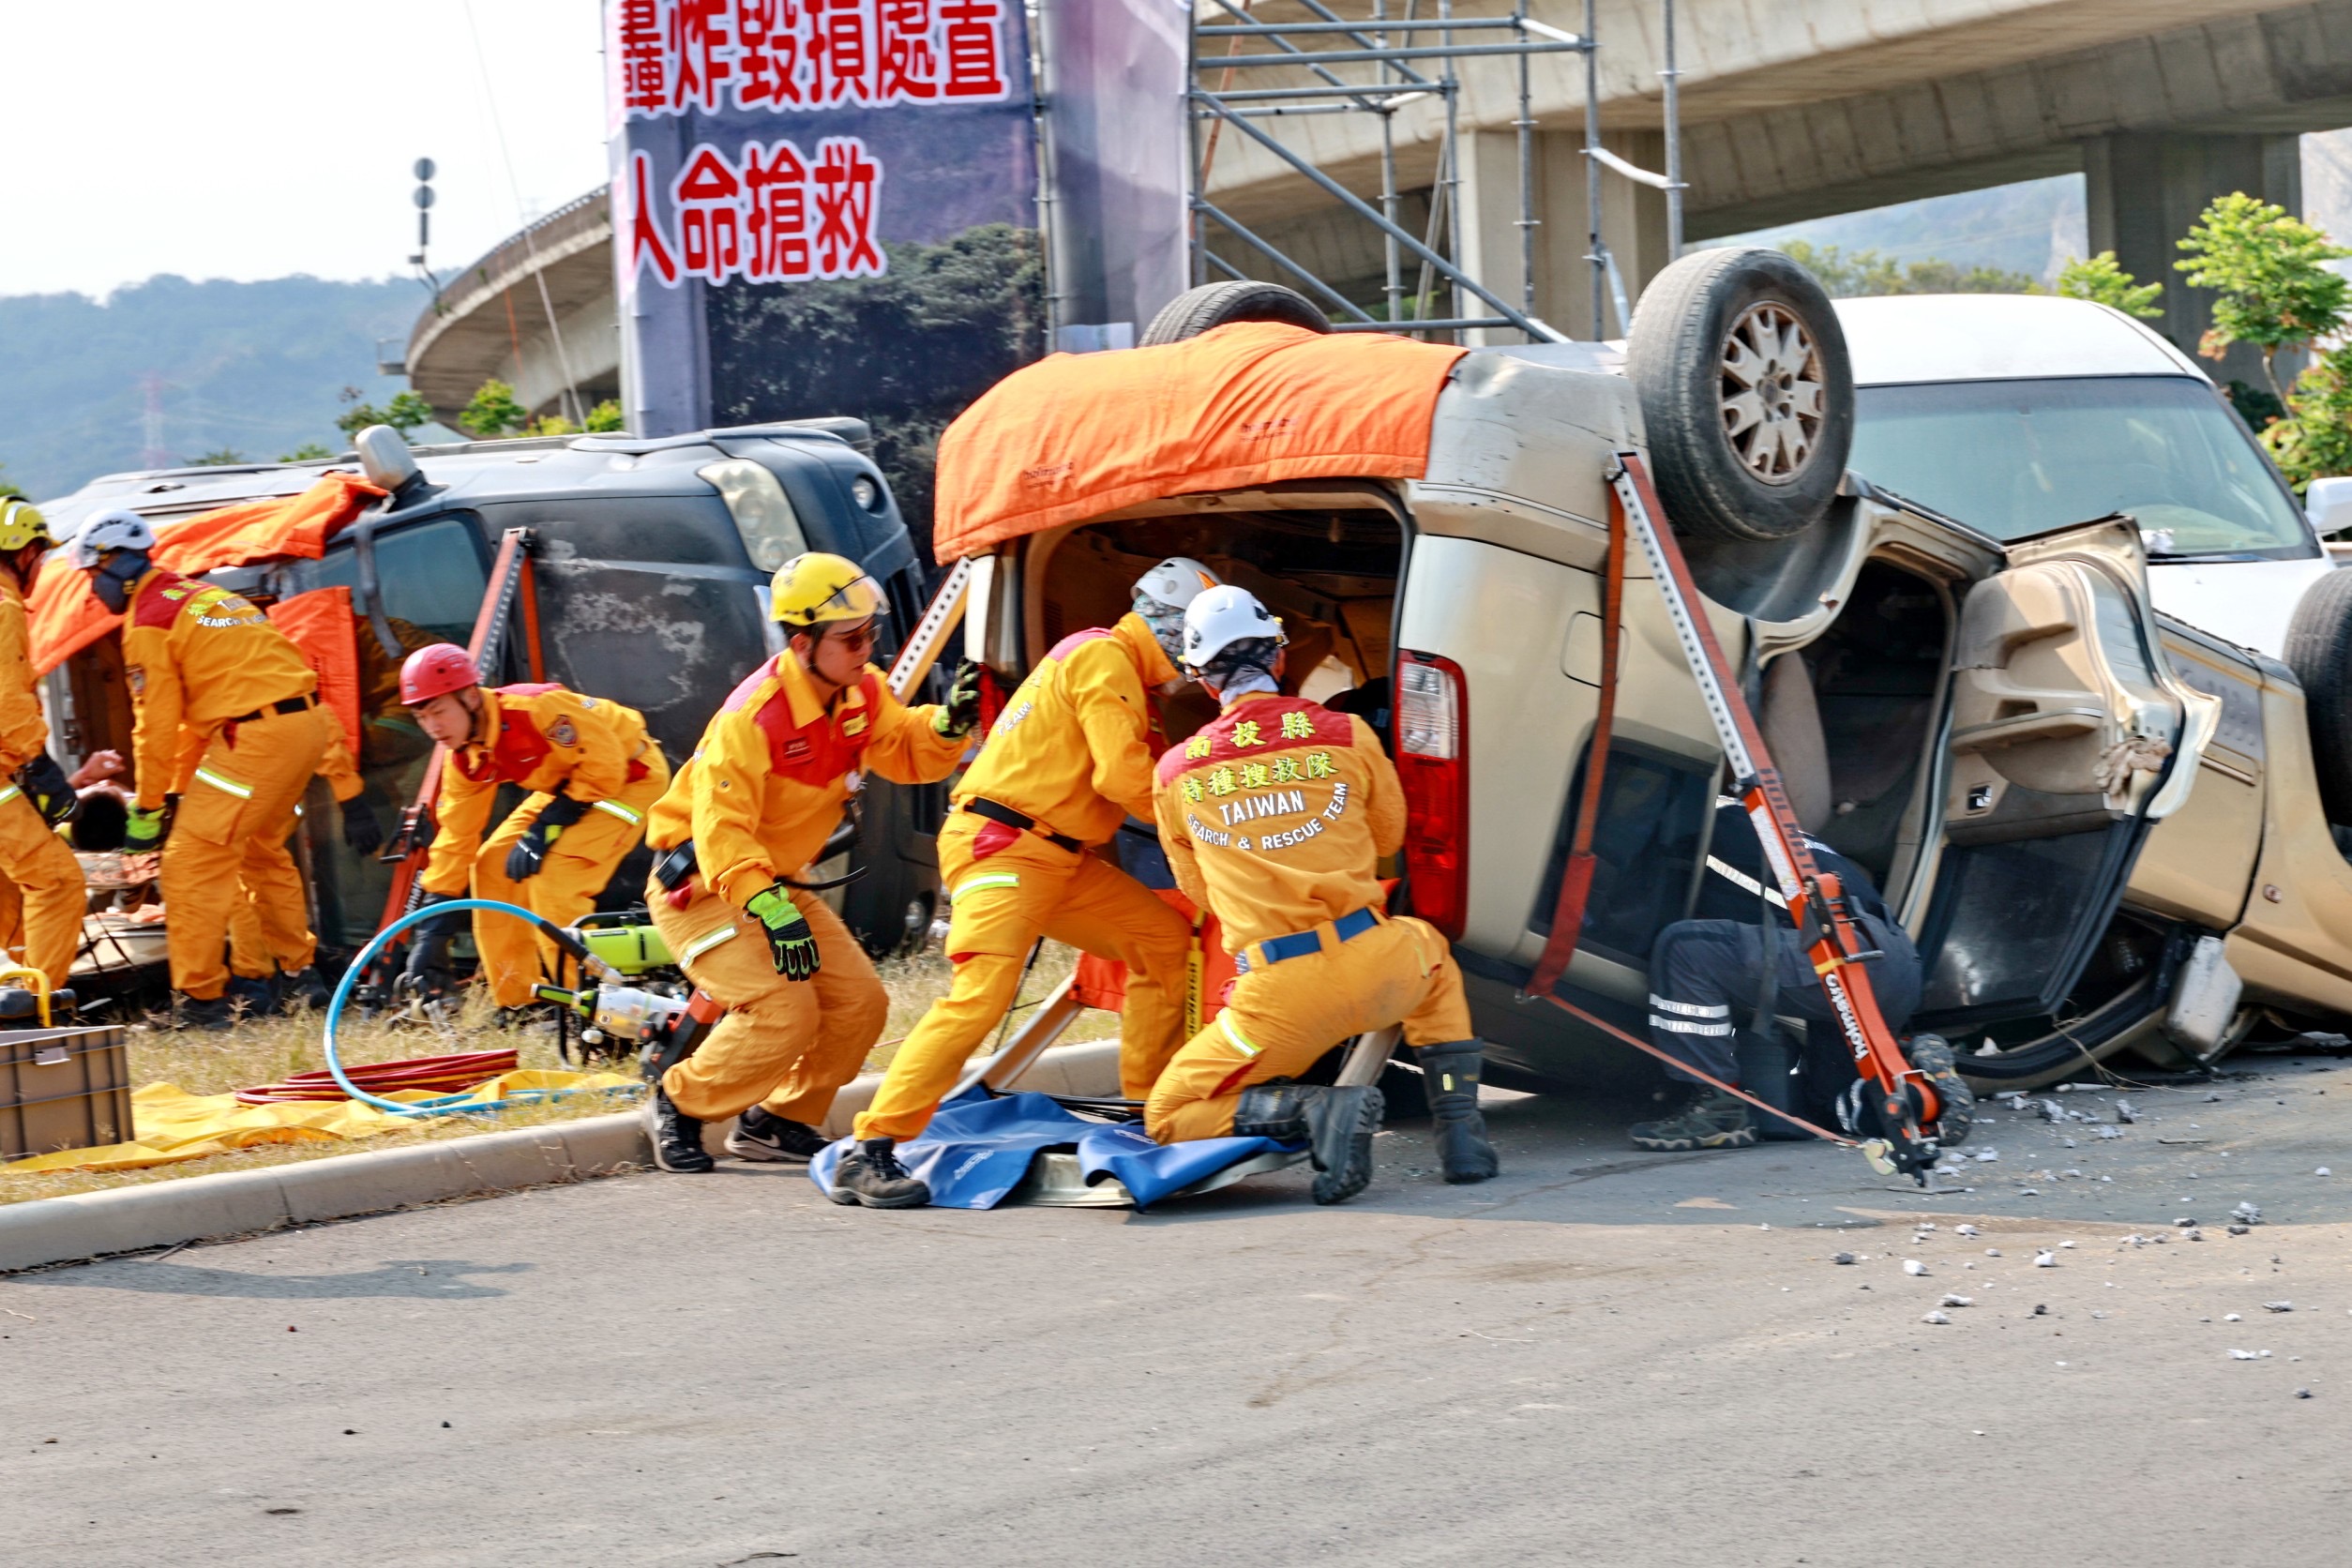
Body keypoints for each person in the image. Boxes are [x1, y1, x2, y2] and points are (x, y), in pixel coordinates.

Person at [832, 557, 1217, 1208]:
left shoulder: (1116, 668)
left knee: (1163, 939)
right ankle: (871, 1148)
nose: (1199, 657)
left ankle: (1148, 1109)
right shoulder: (1107, 659)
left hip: (1055, 856)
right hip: (1004, 848)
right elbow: (1123, 780)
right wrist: (1209, 828)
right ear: (1175, 626)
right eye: (1198, 637)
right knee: (979, 998)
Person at [1141, 586, 1499, 1204]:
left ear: (1202, 681)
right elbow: (1389, 833)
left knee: (1168, 1113)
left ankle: (1314, 1112)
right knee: (1432, 956)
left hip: (1276, 1005)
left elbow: (1197, 889)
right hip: (1376, 963)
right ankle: (1462, 1136)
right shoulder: (1348, 733)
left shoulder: (1176, 772)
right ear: (1279, 659)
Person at [639, 551, 979, 1175]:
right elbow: (722, 835)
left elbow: (904, 748)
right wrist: (769, 908)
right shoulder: (751, 719)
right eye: (852, 638)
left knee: (861, 1005)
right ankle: (677, 1100)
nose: (867, 649)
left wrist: (950, 726)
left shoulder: (860, 691)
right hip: (702, 889)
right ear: (802, 643)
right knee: (784, 1010)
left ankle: (778, 1121)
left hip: (773, 884)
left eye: (872, 634)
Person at [67, 510, 356, 1030]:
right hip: (304, 727)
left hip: (255, 737)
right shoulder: (206, 598)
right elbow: (193, 720)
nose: (93, 593)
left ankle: (205, 1002)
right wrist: (176, 792)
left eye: (91, 579)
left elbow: (154, 726)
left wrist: (150, 810)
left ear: (114, 566)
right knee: (260, 851)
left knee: (189, 863)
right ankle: (299, 977)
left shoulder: (149, 621)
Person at [1627, 799, 1927, 1152]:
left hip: (1838, 952)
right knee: (1833, 1104)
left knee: (1682, 947)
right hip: (1898, 960)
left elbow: (1630, 885)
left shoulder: (1696, 813)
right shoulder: (1768, 825)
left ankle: (1719, 1107)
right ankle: (1925, 1100)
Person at [394, 645, 669, 1025]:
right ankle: (520, 1001)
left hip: (629, 777)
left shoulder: (536, 709)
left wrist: (543, 831)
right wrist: (432, 933)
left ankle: (586, 1008)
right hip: (569, 787)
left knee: (556, 876)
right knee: (491, 866)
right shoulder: (465, 758)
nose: (433, 727)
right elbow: (455, 838)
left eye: (439, 711)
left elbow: (605, 767)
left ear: (470, 697)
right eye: (422, 717)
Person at [0, 501, 85, 990]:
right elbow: (7, 697)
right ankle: (39, 1006)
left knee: (11, 890)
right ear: (26, 551)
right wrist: (38, 763)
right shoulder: (4, 605)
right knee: (56, 880)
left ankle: (12, 995)